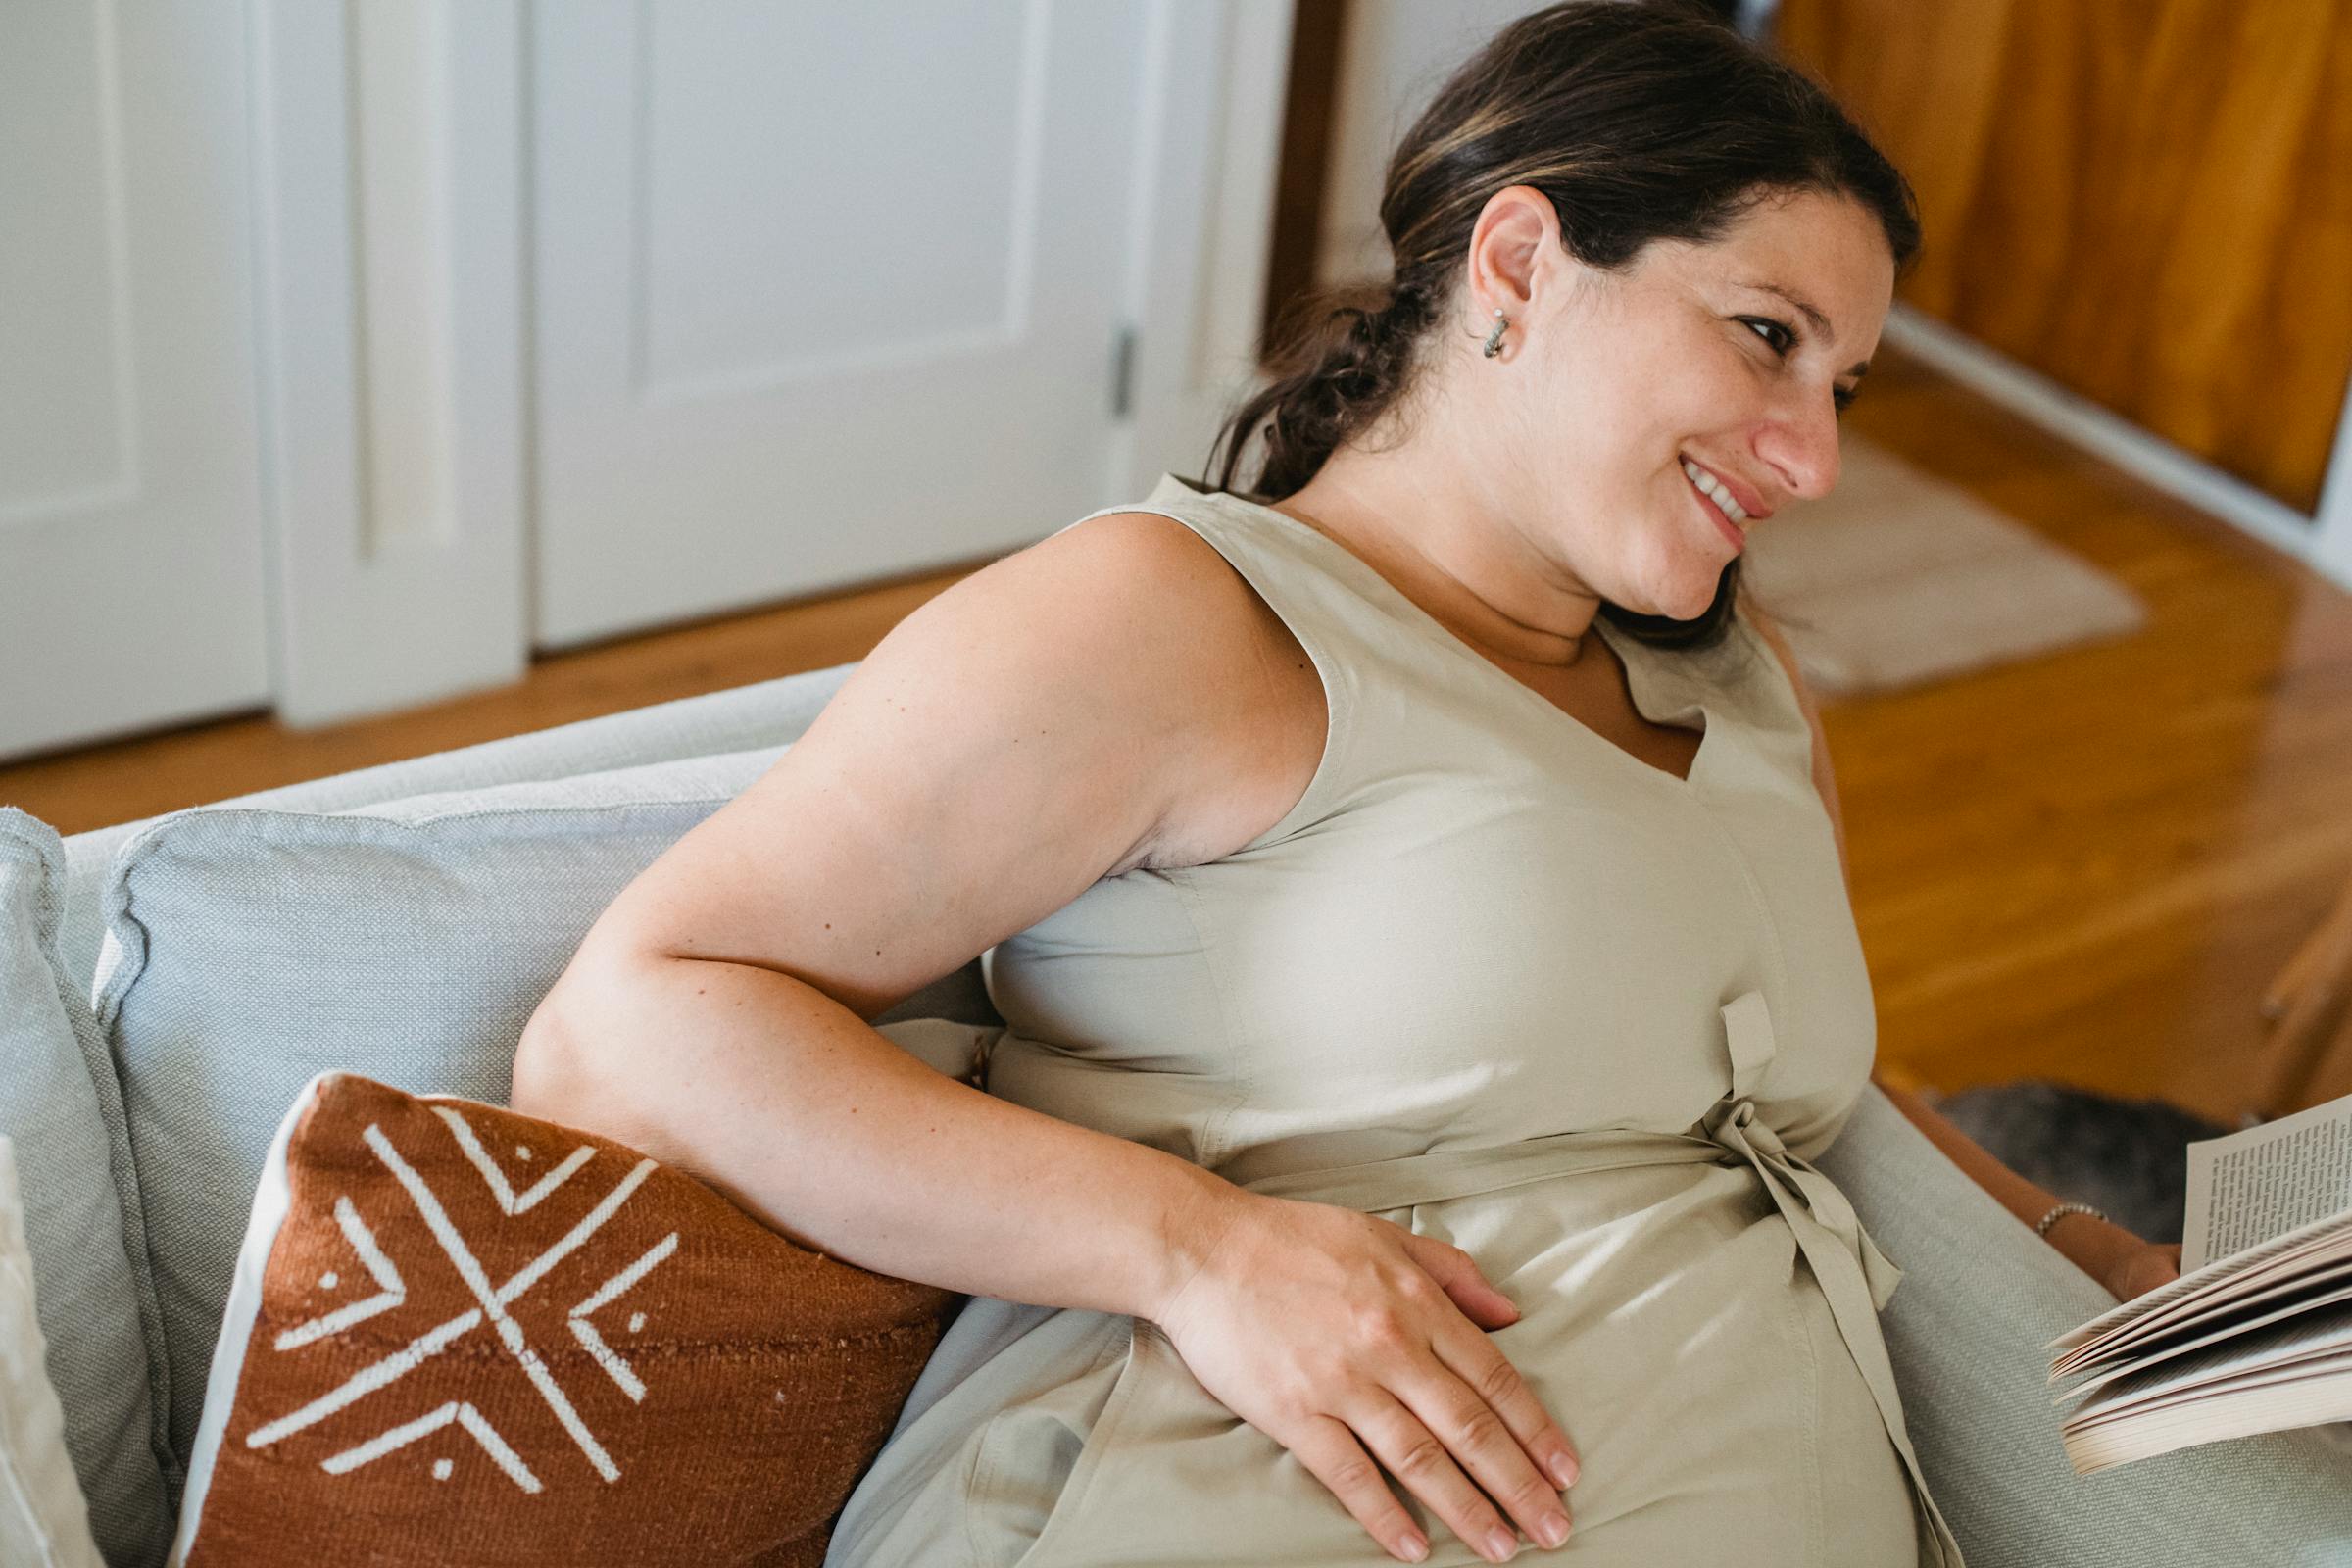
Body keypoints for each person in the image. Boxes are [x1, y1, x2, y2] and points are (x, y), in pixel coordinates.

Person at [513, 3, 2180, 1561]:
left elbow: (1780, 1102)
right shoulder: (1181, 624)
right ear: (1519, 262)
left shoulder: (1744, 687)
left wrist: (2083, 1247)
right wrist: (1198, 1248)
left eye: (1844, 388)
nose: (1815, 457)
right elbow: (633, 1026)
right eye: (1766, 339)